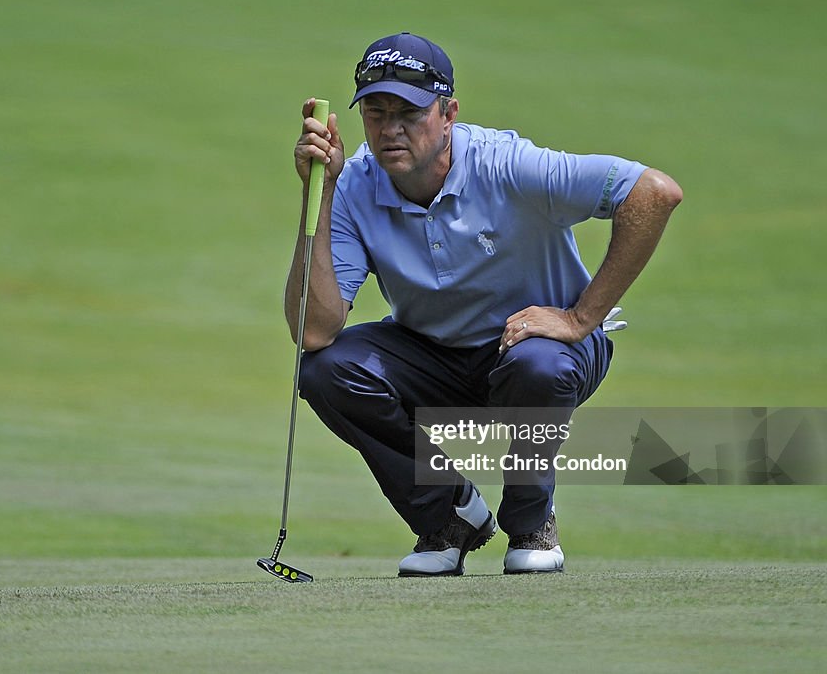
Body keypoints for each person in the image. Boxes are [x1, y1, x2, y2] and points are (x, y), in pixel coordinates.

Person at [287, 32, 682, 576]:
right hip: (434, 355)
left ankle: (531, 523)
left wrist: (579, 317)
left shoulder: (509, 164)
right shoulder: (353, 182)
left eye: (409, 112)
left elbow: (654, 192)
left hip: (540, 351)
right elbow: (314, 330)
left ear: (448, 113)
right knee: (328, 370)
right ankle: (450, 517)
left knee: (536, 362)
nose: (390, 128)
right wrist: (321, 193)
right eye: (375, 113)